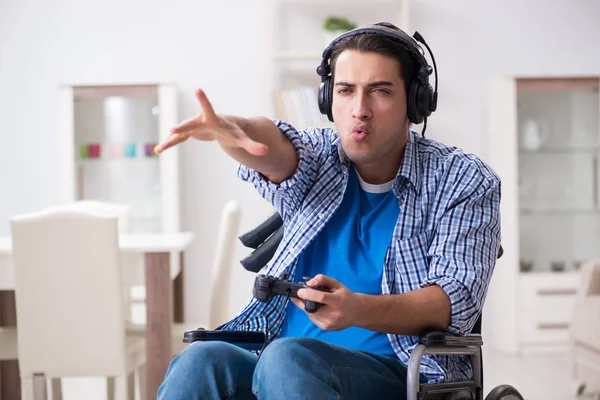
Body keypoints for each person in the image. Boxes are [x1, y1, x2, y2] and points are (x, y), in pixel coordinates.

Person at [156, 21, 501, 400]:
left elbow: (453, 302)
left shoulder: (463, 179)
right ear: (327, 100)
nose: (360, 110)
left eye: (380, 91)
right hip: (279, 365)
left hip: (398, 375)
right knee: (200, 360)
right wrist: (230, 129)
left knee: (287, 358)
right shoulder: (321, 158)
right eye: (345, 91)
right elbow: (277, 149)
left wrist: (356, 309)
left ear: (415, 102)